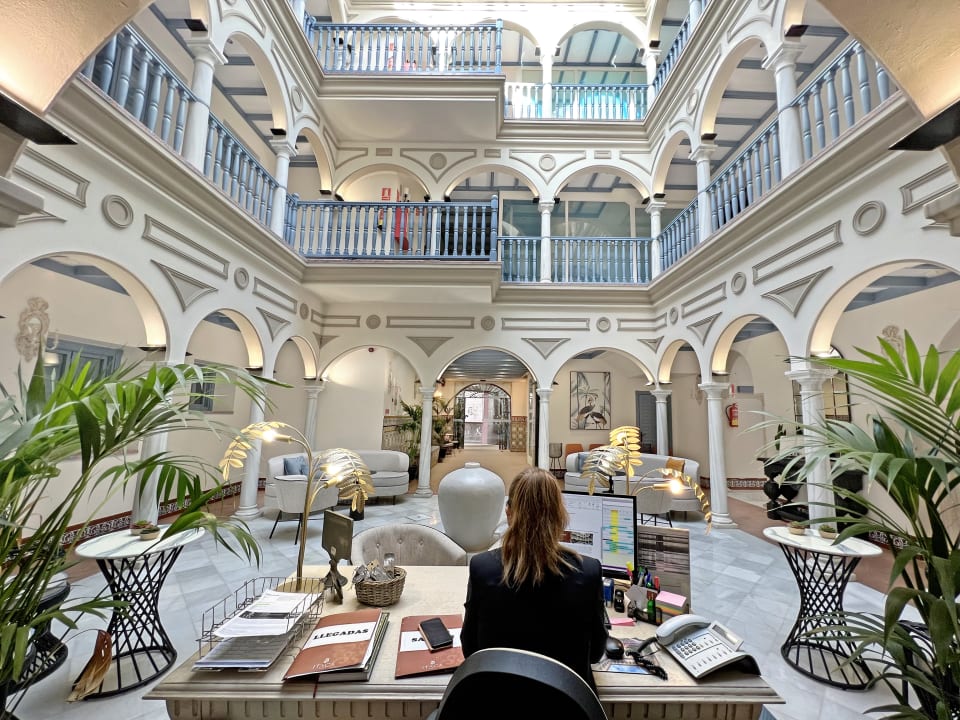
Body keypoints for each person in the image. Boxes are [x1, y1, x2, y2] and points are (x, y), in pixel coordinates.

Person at [460, 466, 608, 690]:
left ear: (509, 512)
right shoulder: (588, 572)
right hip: (567, 703)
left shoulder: (482, 568)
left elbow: (470, 650)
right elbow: (596, 653)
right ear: (560, 514)